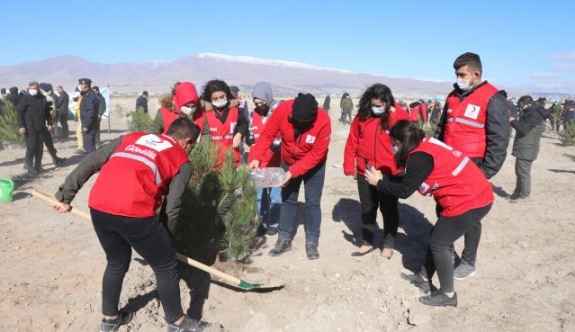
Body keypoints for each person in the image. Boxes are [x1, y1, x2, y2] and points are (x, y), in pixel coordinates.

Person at [53, 117, 209, 332]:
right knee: (165, 266)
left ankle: (110, 319)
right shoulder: (182, 159)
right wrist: (166, 238)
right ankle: (177, 323)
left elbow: (92, 160)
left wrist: (65, 195)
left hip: (99, 205)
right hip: (135, 213)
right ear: (188, 141)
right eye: (194, 146)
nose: (192, 150)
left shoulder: (133, 137)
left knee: (116, 263)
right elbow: (172, 207)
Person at [365, 120, 493, 307]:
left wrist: (379, 183)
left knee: (438, 244)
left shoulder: (419, 157)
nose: (394, 147)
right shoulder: (427, 143)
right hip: (475, 193)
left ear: (402, 142)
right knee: (437, 236)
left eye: (395, 143)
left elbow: (404, 191)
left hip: (468, 200)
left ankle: (448, 295)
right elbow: (418, 177)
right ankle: (424, 278)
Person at [434, 52, 511, 280]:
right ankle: (446, 249)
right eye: (456, 74)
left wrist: (485, 173)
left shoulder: (493, 98)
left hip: (473, 166)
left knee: (469, 216)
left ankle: (468, 261)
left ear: (476, 74)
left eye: (462, 74)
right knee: (443, 208)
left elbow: (499, 139)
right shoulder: (453, 96)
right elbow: (441, 130)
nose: (458, 78)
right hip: (448, 165)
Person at [248, 93, 331, 260]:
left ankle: (312, 241)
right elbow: (267, 135)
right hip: (287, 160)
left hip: (314, 166)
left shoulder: (323, 121)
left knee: (313, 203)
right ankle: (284, 239)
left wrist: (292, 172)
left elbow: (316, 154)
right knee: (288, 200)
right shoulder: (283, 111)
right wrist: (256, 156)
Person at [343, 83, 410, 258]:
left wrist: (393, 113)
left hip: (389, 171)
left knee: (389, 209)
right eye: (373, 104)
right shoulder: (362, 117)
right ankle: (367, 241)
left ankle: (388, 244)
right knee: (367, 208)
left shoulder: (396, 116)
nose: (376, 108)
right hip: (365, 170)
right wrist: (349, 164)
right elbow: (353, 141)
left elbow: (405, 132)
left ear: (388, 103)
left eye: (380, 106)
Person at [248, 82, 283, 236]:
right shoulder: (253, 114)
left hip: (274, 161)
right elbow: (250, 134)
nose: (259, 105)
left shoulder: (278, 111)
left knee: (275, 195)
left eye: (262, 102)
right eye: (256, 102)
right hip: (258, 162)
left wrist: (274, 145)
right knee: (258, 197)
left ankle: (274, 223)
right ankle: (261, 222)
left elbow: (283, 134)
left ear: (268, 97)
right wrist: (251, 142)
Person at [199, 80, 249, 167]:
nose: (219, 100)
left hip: (232, 159)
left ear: (227, 94)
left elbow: (243, 124)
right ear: (210, 98)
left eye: (222, 97)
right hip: (213, 161)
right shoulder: (206, 113)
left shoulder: (234, 109)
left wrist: (239, 134)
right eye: (215, 98)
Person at [508, 95, 547, 201]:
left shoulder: (533, 114)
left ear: (528, 104)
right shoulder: (532, 112)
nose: (521, 108)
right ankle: (517, 193)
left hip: (527, 149)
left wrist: (512, 121)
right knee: (519, 171)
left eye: (522, 105)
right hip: (525, 148)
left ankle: (524, 195)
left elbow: (523, 129)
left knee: (523, 173)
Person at [17, 81, 51, 175]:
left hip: (41, 126)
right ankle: (29, 167)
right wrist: (21, 125)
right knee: (31, 147)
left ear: (38, 89)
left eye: (34, 89)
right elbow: (20, 113)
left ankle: (38, 166)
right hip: (29, 127)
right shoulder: (25, 99)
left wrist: (50, 123)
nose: (32, 90)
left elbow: (47, 113)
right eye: (31, 89)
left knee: (39, 147)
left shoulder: (43, 98)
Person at [38, 83, 66, 167]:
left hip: (45, 124)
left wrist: (49, 122)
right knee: (40, 145)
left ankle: (55, 159)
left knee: (47, 144)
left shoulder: (48, 98)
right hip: (41, 124)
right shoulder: (40, 98)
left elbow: (51, 112)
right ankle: (54, 160)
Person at [77, 78, 100, 154]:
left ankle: (94, 164)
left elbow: (90, 111)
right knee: (88, 146)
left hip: (90, 125)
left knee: (90, 147)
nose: (79, 86)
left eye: (81, 84)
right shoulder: (86, 95)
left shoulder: (90, 95)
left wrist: (86, 125)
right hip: (87, 124)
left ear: (85, 85)